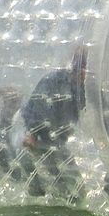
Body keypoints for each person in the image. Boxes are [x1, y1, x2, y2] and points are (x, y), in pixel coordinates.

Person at [15, 45, 88, 199]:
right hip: (35, 139)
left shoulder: (85, 87)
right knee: (40, 189)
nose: (83, 72)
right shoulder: (55, 80)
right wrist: (33, 134)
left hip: (56, 142)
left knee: (75, 192)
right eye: (80, 66)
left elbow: (99, 111)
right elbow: (37, 108)